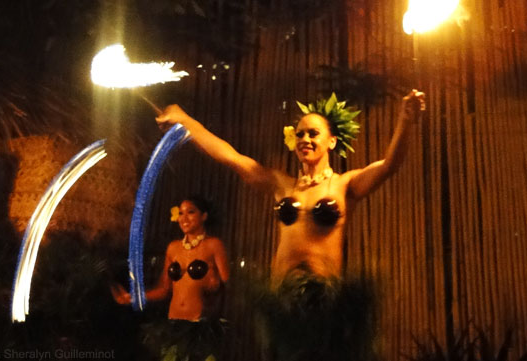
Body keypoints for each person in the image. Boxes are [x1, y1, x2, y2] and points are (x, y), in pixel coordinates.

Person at [155, 90, 425, 360]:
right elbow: (229, 156)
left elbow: (389, 165)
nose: (305, 139)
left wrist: (404, 121)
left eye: (313, 133)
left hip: (322, 302)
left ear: (331, 141)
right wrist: (184, 120)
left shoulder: (345, 186)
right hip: (281, 300)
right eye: (300, 134)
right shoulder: (282, 185)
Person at [112, 196, 230, 361]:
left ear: (204, 216)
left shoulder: (213, 245)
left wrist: (214, 284)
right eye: (181, 213)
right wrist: (133, 297)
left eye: (191, 212)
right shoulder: (173, 248)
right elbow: (164, 289)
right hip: (173, 323)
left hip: (201, 325)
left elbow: (228, 283)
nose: (184, 218)